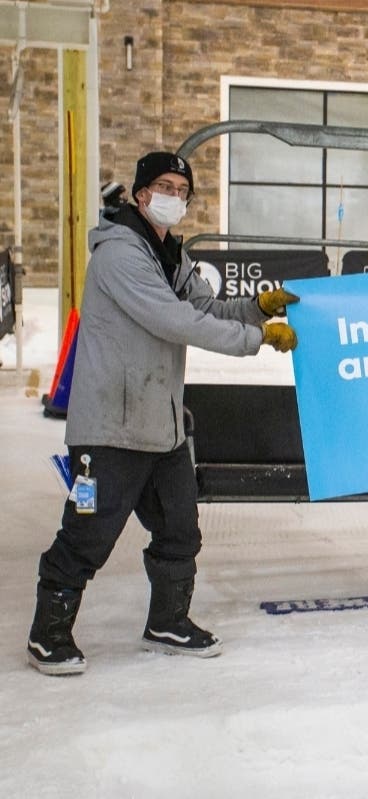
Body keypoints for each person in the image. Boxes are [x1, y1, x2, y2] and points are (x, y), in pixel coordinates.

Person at [27, 151, 300, 676]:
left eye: (183, 188)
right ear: (141, 194)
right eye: (165, 186)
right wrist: (256, 340)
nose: (175, 196)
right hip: (111, 427)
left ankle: (168, 623)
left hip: (162, 425)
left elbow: (205, 309)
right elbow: (174, 320)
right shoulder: (120, 257)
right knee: (87, 536)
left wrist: (256, 309)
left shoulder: (169, 255)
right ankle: (48, 634)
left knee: (180, 529)